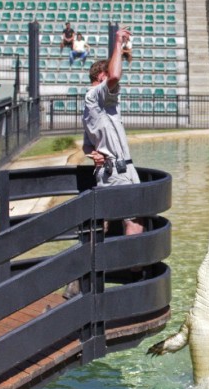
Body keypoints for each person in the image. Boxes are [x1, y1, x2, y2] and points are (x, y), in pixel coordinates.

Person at [82, 27, 144, 237]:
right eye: (107, 80)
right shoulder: (95, 96)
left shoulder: (93, 105)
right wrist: (118, 43)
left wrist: (95, 153)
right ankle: (132, 269)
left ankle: (103, 267)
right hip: (116, 172)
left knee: (114, 222)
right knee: (133, 223)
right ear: (101, 77)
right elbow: (115, 75)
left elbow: (86, 144)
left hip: (116, 169)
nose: (115, 87)